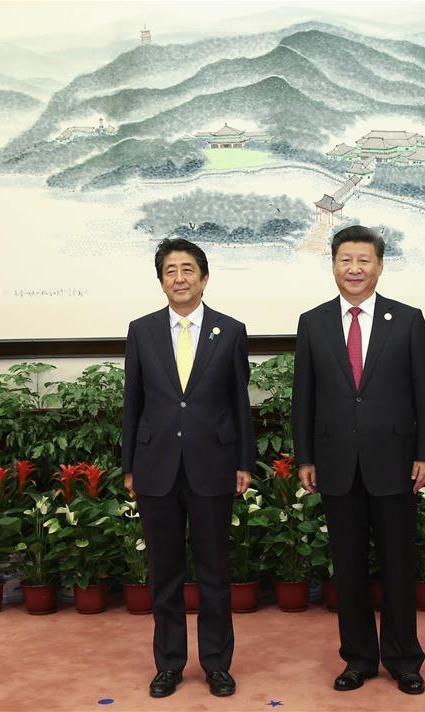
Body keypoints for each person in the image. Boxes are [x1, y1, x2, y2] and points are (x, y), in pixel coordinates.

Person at [292, 225, 425, 695]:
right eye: (345, 260)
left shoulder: (408, 319)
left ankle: (404, 660)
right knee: (348, 568)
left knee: (398, 566)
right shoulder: (312, 322)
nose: (354, 269)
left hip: (396, 462)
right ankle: (357, 658)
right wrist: (305, 457)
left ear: (379, 265)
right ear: (333, 265)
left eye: (364, 260)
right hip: (336, 461)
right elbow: (304, 399)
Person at [121, 237, 254, 699]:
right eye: (170, 271)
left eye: (187, 269)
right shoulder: (141, 330)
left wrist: (243, 462)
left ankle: (217, 663)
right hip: (155, 466)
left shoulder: (230, 330)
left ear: (204, 277)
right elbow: (132, 403)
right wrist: (129, 465)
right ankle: (169, 664)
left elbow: (240, 403)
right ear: (161, 280)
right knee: (164, 572)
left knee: (215, 570)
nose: (179, 278)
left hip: (213, 466)